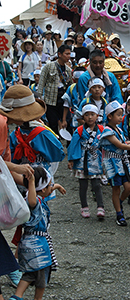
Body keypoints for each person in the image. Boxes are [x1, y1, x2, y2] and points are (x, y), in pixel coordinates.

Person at [0, 85, 46, 296]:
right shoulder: (2, 125)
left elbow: (5, 167)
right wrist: (19, 169)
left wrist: (34, 184)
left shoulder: (9, 127)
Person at [8, 166, 66, 300]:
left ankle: (17, 296)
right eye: (50, 185)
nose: (51, 188)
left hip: (28, 243)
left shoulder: (38, 197)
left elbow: (41, 192)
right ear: (43, 189)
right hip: (37, 245)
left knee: (29, 273)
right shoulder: (33, 200)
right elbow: (33, 200)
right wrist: (32, 181)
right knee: (42, 277)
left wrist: (56, 186)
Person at [99, 101, 130, 226]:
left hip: (123, 161)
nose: (120, 117)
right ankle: (119, 214)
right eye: (118, 115)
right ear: (109, 116)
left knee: (129, 187)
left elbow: (123, 142)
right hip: (112, 162)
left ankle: (120, 202)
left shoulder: (118, 129)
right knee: (116, 188)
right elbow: (119, 145)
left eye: (121, 115)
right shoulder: (107, 130)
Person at [67, 104, 105, 219]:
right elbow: (73, 145)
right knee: (83, 185)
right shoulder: (79, 130)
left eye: (92, 114)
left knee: (97, 184)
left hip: (96, 160)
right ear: (83, 117)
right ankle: (84, 206)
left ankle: (100, 206)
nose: (90, 117)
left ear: (97, 116)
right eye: (87, 115)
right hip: (82, 160)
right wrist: (71, 159)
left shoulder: (102, 129)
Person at [38, 45, 72, 134]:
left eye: (69, 54)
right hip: (50, 100)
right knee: (53, 124)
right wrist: (39, 100)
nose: (69, 56)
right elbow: (41, 83)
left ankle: (69, 144)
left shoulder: (68, 70)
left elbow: (70, 86)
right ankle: (54, 143)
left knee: (67, 122)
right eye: (66, 54)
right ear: (59, 54)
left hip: (63, 100)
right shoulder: (48, 66)